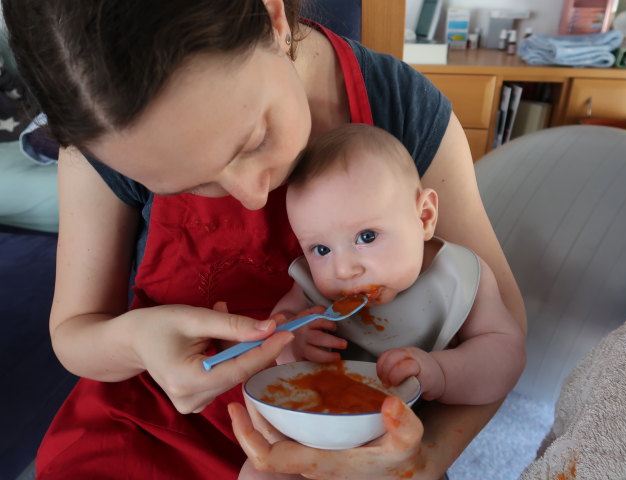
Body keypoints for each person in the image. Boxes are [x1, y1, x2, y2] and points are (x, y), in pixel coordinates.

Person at [3, 1, 526, 479]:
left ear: (273, 18)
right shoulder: (100, 135)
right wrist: (135, 342)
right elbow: (74, 333)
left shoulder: (402, 109)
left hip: (358, 443)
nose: (253, 197)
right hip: (144, 431)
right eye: (191, 186)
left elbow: (504, 333)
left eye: (253, 141)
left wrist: (420, 461)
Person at [271, 124, 525, 405]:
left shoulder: (458, 275)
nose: (343, 270)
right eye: (321, 249)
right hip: (332, 418)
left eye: (366, 237)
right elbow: (275, 332)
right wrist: (293, 342)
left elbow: (506, 353)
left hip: (418, 429)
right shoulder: (310, 288)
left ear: (425, 217)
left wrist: (441, 372)